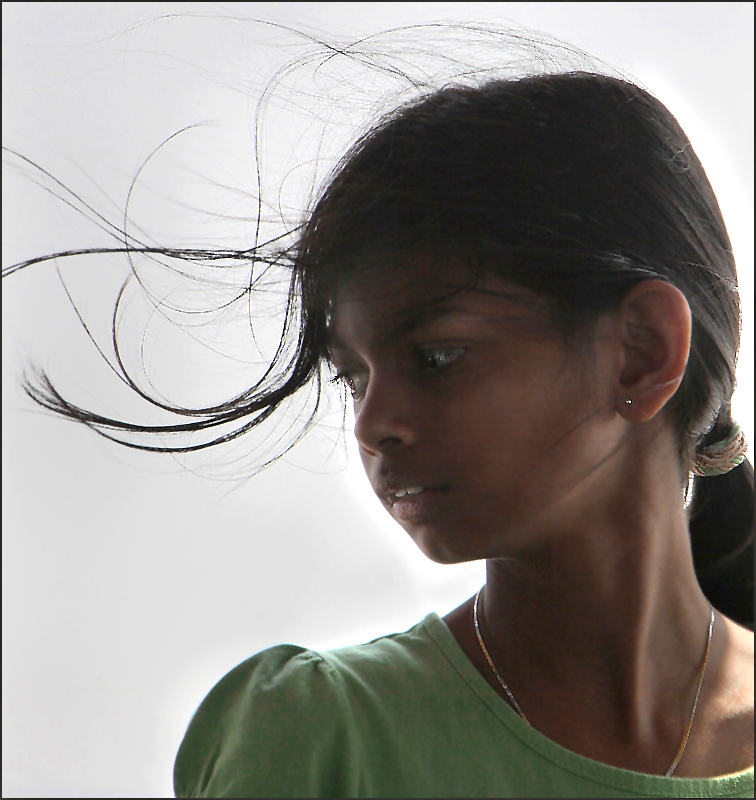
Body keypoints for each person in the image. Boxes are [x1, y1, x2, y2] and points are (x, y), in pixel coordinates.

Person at [5, 41, 753, 800]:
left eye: (435, 356)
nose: (372, 425)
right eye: (352, 376)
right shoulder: (320, 739)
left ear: (642, 352)